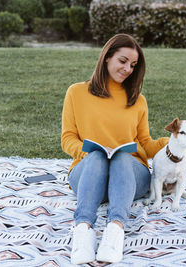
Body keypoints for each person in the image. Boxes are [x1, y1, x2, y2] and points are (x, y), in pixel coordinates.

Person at [61, 33, 168, 265]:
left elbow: (146, 144)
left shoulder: (137, 100)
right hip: (88, 173)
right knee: (99, 156)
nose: (128, 69)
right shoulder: (76, 93)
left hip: (129, 176)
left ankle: (115, 231)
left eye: (133, 65)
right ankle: (82, 232)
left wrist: (168, 144)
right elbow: (68, 138)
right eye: (123, 61)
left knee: (120, 157)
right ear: (107, 57)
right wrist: (86, 152)